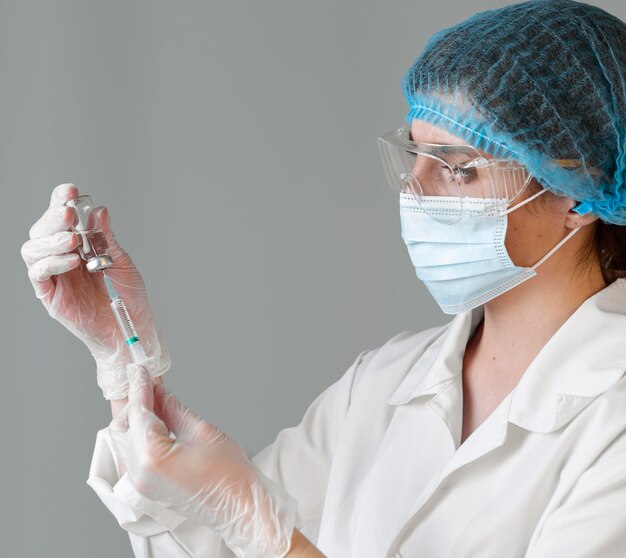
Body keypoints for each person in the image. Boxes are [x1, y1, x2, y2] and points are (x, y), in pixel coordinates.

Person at [21, 0, 626, 556]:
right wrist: (123, 359)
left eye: (458, 168)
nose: (413, 190)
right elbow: (214, 542)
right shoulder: (383, 381)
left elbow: (257, 532)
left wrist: (265, 531)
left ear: (579, 191)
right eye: (413, 155)